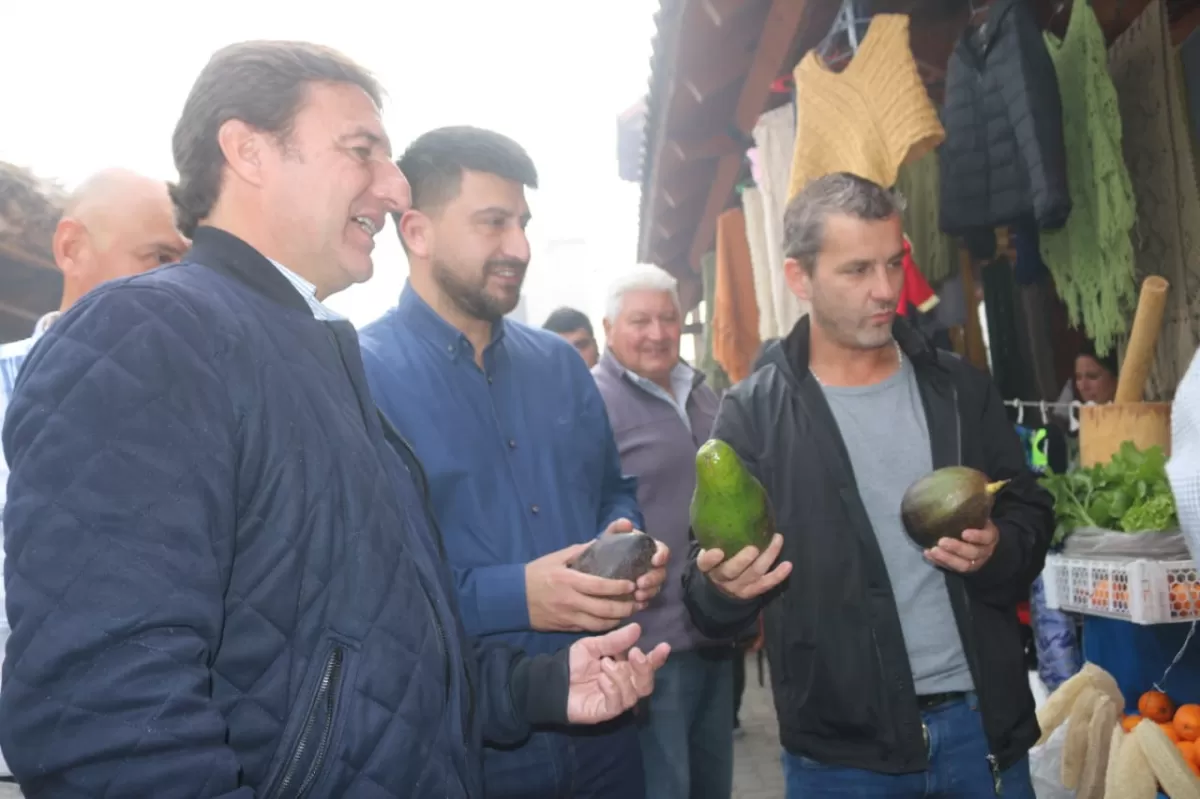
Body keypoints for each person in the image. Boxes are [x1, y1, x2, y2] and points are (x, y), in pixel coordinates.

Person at [0, 42, 666, 797]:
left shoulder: (316, 349)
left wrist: (537, 688)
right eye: (362, 151)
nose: (393, 185)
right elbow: (103, 716)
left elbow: (370, 658)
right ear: (247, 150)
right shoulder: (149, 333)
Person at [682, 172, 1054, 798]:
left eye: (892, 263)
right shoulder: (752, 414)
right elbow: (703, 587)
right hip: (844, 760)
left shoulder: (960, 388)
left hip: (980, 731)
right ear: (799, 278)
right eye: (856, 271)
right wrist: (723, 587)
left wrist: (998, 549)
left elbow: (1029, 512)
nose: (886, 291)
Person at [358, 125, 667, 799]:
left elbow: (614, 490)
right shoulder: (359, 379)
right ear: (416, 230)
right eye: (493, 223)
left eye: (522, 223)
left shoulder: (559, 364)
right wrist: (516, 594)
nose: (520, 248)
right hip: (470, 750)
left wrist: (624, 544)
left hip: (608, 725)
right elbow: (366, 588)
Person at [0, 167, 187, 785]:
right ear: (71, 247)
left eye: (188, 264)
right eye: (157, 256)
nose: (177, 284)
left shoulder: (216, 412)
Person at [592, 265, 735, 799]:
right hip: (647, 646)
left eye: (667, 318)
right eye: (640, 320)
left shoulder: (703, 393)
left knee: (713, 785)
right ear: (609, 328)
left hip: (714, 632)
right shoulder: (592, 402)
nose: (657, 332)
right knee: (665, 788)